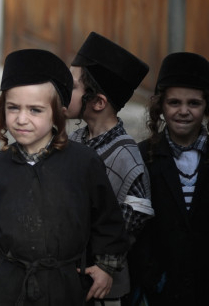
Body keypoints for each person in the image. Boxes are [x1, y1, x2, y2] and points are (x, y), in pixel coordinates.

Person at [0, 49, 129, 305]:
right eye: (13, 108)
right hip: (8, 286)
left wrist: (106, 267)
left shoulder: (83, 162)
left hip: (64, 285)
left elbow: (107, 220)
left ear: (58, 111)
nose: (22, 119)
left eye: (35, 110)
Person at [66, 32, 153, 304]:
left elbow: (127, 228)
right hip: (67, 276)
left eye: (72, 86)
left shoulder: (128, 158)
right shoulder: (74, 140)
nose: (61, 90)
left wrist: (104, 265)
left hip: (101, 287)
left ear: (99, 102)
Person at [129, 52, 209, 305]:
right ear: (160, 106)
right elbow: (137, 230)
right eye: (174, 102)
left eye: (194, 103)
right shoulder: (143, 156)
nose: (183, 111)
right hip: (161, 291)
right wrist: (153, 278)